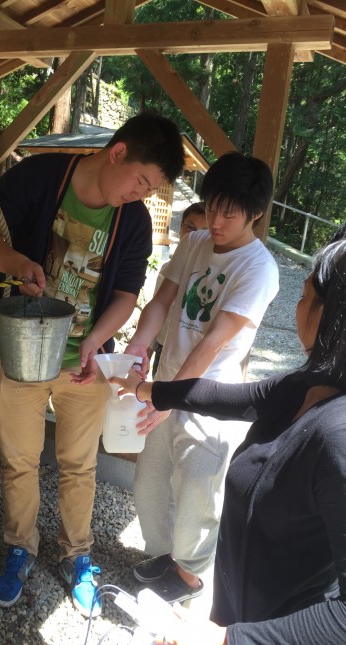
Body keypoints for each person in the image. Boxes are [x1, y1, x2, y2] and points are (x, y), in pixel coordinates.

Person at [0, 112, 185, 617]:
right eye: (140, 181)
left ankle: (77, 555)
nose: (140, 194)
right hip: (17, 351)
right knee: (19, 460)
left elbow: (126, 294)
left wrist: (96, 342)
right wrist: (17, 264)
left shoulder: (134, 221)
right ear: (118, 153)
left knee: (80, 465)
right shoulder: (40, 177)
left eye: (150, 189)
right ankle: (20, 548)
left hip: (85, 362)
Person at [111, 239, 346, 645]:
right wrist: (145, 389)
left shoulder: (338, 436)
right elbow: (227, 397)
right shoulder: (307, 384)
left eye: (304, 296)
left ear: (332, 316)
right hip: (235, 614)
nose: (297, 307)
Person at [124, 152, 280, 605]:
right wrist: (140, 344)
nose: (215, 220)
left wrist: (167, 398)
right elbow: (161, 302)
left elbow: (213, 342)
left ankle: (189, 577)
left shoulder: (259, 268)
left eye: (229, 212)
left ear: (255, 213)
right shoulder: (194, 243)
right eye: (212, 206)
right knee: (150, 484)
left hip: (209, 399)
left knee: (198, 490)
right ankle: (162, 556)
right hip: (166, 383)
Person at [148, 202, 207, 377]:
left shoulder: (209, 278)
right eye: (190, 228)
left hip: (191, 356)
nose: (195, 236)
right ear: (181, 227)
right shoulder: (167, 269)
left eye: (204, 232)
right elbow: (158, 308)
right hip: (162, 347)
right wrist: (146, 351)